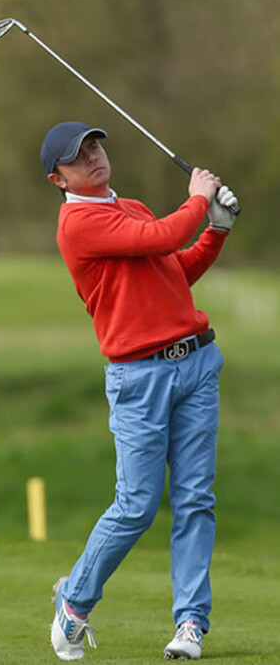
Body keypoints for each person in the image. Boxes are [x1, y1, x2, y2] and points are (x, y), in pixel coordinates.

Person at [40, 121, 240, 661]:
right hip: (139, 376)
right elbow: (163, 238)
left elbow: (176, 270)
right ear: (59, 179)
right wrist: (198, 200)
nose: (93, 158)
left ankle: (191, 624)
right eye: (78, 158)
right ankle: (75, 603)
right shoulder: (78, 221)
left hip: (196, 360)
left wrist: (215, 229)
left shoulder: (130, 205)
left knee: (196, 497)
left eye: (95, 147)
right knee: (137, 505)